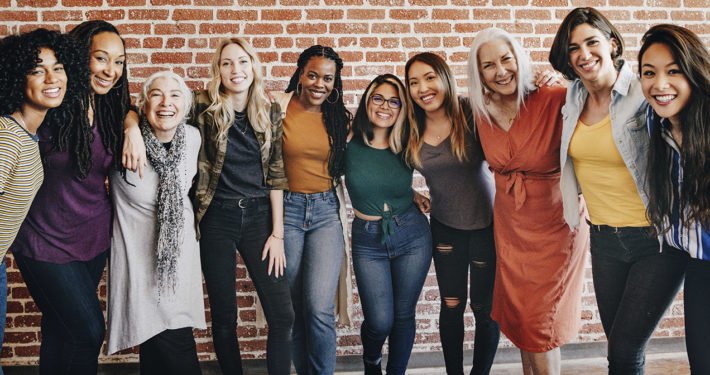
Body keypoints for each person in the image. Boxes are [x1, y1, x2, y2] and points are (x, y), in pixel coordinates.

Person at [549, 8, 688, 375]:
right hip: (605, 239)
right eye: (573, 47)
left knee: (624, 351)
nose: (583, 53)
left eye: (591, 42)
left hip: (655, 240)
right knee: (622, 349)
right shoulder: (572, 100)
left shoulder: (644, 93)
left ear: (611, 44)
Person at [11, 20, 132, 374]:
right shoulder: (50, 102)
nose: (111, 71)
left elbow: (133, 106)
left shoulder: (111, 107)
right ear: (78, 58)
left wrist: (132, 125)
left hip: (92, 239)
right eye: (101, 59)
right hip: (44, 241)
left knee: (60, 331)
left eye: (119, 62)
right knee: (87, 331)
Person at [467, 27, 588, 374]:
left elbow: (596, 98)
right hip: (511, 229)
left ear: (519, 59)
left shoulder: (554, 97)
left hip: (555, 226)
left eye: (506, 59)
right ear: (479, 74)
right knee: (521, 322)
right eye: (489, 65)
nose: (501, 71)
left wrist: (561, 75)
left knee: (540, 325)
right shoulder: (480, 111)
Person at [191, 38, 293, 375]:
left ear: (253, 67)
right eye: (227, 63)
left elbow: (277, 173)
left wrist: (277, 234)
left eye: (242, 61)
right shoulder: (201, 108)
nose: (235, 70)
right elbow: (151, 104)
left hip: (260, 218)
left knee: (282, 315)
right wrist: (132, 126)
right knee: (224, 315)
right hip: (216, 217)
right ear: (217, 70)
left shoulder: (270, 111)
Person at [404, 52, 499, 375]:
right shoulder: (409, 127)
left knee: (485, 310)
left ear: (444, 77)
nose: (422, 88)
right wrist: (411, 194)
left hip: (487, 226)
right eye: (414, 82)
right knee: (452, 305)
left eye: (429, 77)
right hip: (445, 228)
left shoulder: (471, 113)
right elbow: (383, 169)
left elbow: (515, 116)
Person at [106, 71, 204, 375]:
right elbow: (116, 107)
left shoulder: (192, 138)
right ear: (144, 103)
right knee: (155, 340)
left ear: (185, 106)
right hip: (138, 258)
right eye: (157, 95)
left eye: (175, 95)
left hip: (180, 259)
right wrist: (131, 126)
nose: (166, 103)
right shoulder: (122, 141)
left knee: (173, 337)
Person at [0, 28, 80, 374]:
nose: (52, 78)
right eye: (37, 70)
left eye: (58, 67)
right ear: (17, 79)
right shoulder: (8, 137)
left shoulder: (28, 135)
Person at [271, 45, 353, 375]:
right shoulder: (276, 106)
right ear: (300, 74)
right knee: (291, 309)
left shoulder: (339, 118)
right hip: (286, 211)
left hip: (325, 213)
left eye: (328, 78)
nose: (320, 83)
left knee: (319, 306)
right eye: (313, 74)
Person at [345, 74, 432, 375]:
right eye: (378, 98)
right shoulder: (348, 141)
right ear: (368, 101)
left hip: (412, 234)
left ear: (402, 108)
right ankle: (372, 362)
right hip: (368, 240)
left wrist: (414, 194)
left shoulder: (408, 141)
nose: (385, 106)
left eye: (394, 101)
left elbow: (447, 167)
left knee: (404, 315)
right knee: (380, 320)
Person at [637, 24, 710, 374]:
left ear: (694, 72)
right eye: (649, 73)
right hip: (698, 264)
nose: (659, 84)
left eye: (673, 71)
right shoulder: (658, 124)